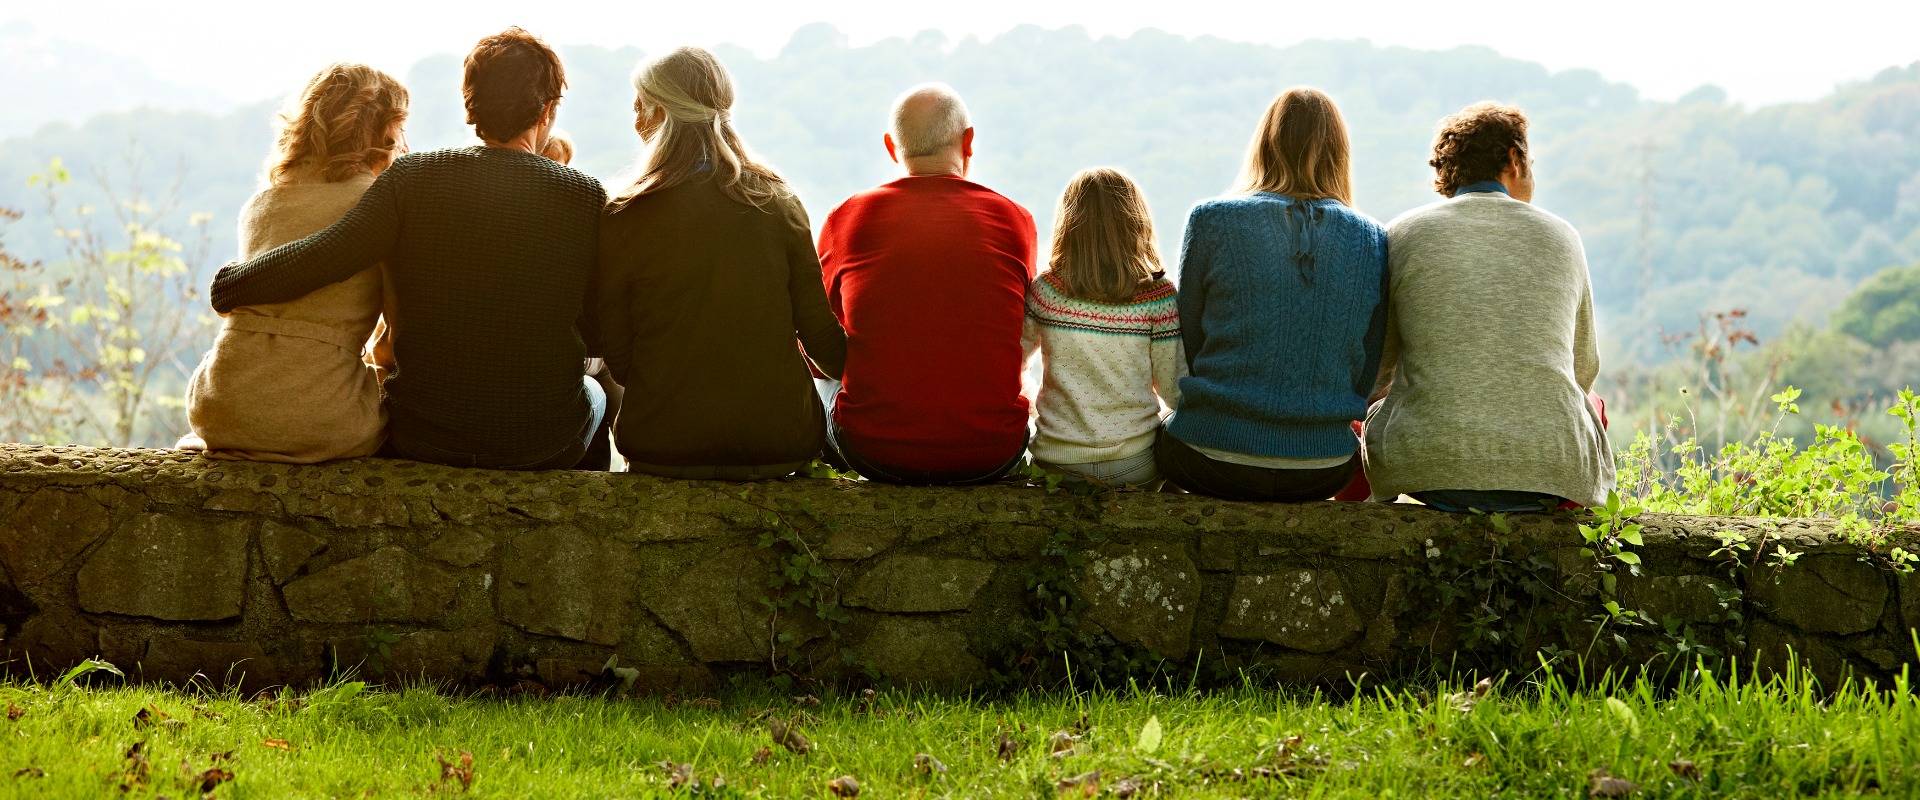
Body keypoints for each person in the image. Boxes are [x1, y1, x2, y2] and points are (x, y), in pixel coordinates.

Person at [207, 28, 612, 471]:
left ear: (469, 104)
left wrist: (231, 284)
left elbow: (324, 256)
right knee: (595, 391)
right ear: (548, 109)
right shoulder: (586, 196)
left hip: (423, 436)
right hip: (540, 442)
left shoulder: (413, 179)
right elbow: (597, 327)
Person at [594, 47, 846, 479]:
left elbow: (614, 344)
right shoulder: (777, 201)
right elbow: (819, 336)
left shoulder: (625, 213)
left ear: (659, 113)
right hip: (779, 443)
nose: (634, 118)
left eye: (639, 105)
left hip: (661, 443)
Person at [1362, 101, 1615, 512]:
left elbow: (1378, 370)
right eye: (1530, 159)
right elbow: (1583, 368)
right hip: (1550, 474)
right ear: (1514, 159)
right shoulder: (1563, 236)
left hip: (1428, 470)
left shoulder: (1402, 233)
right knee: (1592, 403)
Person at [1158, 87, 1390, 502]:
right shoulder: (1371, 238)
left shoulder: (1211, 219)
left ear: (1264, 143)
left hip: (1209, 457)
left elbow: (1189, 340)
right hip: (1325, 467)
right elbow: (1366, 366)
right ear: (1340, 153)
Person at [179, 64, 407, 463]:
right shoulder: (379, 203)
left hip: (218, 406)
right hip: (320, 416)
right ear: (385, 130)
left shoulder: (259, 205)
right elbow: (395, 333)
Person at [815, 83, 1037, 485]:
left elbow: (817, 344)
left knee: (824, 377)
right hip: (990, 451)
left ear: (891, 146)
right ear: (968, 141)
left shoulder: (845, 219)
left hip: (873, 451)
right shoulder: (1015, 220)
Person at [1022, 167, 1182, 489]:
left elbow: (1012, 361)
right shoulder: (1159, 297)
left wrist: (1030, 408)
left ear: (1069, 226)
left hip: (1056, 462)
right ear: (1136, 223)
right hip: (1135, 465)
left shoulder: (1047, 291)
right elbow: (1174, 390)